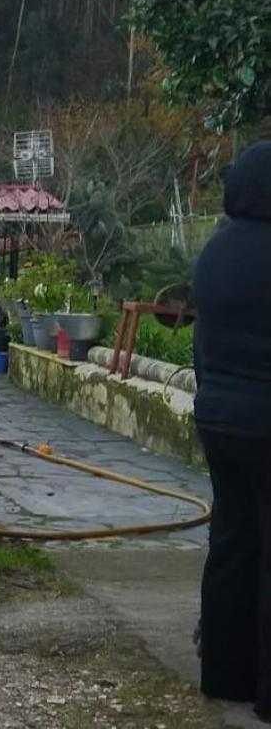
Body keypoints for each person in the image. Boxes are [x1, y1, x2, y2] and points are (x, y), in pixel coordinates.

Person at [193, 140, 271, 721]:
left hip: (218, 418)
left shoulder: (215, 252)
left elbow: (205, 342)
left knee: (232, 538)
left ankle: (224, 673)